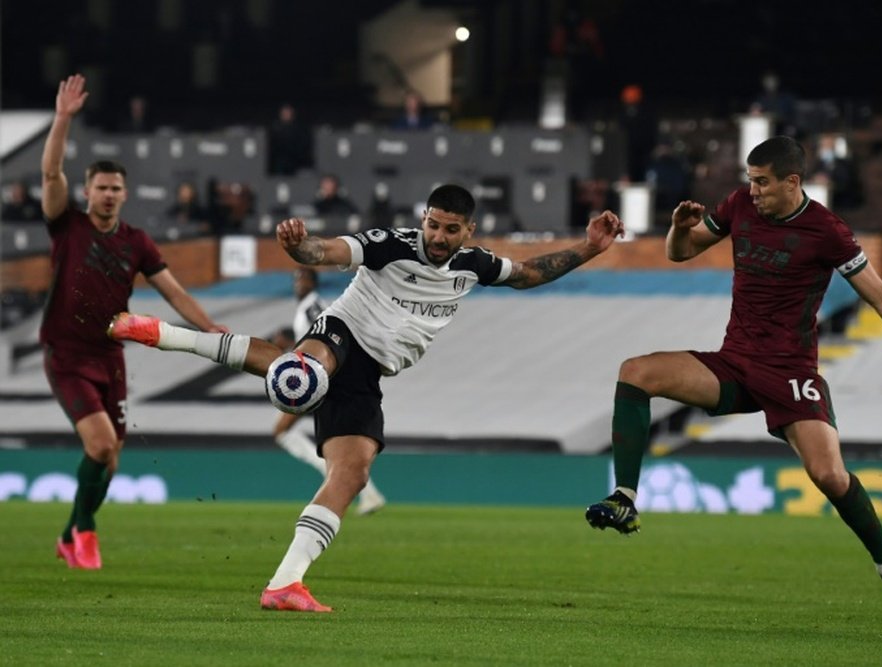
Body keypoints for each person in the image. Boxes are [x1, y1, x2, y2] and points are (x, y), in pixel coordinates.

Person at [108, 184, 624, 611]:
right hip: (341, 334)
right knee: (302, 373)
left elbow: (531, 274)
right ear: (422, 219)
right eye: (432, 224)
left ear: (467, 230)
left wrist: (589, 248)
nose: (438, 236)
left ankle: (284, 584)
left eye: (450, 228)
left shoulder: (476, 264)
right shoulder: (389, 244)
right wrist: (300, 248)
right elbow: (329, 251)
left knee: (352, 475)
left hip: (369, 373)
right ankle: (164, 335)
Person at [584, 136, 882, 625]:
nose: (753, 192)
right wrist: (675, 230)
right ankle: (625, 498)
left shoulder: (827, 231)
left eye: (762, 183)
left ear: (792, 182)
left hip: (791, 372)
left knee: (829, 476)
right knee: (636, 372)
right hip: (734, 363)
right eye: (750, 182)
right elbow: (681, 254)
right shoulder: (738, 206)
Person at [41, 74, 227, 570]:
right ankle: (85, 530)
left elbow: (174, 291)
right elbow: (49, 175)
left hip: (109, 355)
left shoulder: (137, 242)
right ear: (86, 192)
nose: (107, 194)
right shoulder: (68, 225)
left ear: (125, 194)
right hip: (66, 355)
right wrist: (62, 119)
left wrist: (209, 329)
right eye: (100, 187)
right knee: (100, 446)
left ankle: (67, 533)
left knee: (111, 459)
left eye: (115, 188)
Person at [272, 267, 386, 515]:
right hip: (318, 378)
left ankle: (348, 486)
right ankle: (367, 494)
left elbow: (326, 339)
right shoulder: (306, 309)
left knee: (282, 431)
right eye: (295, 279)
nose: (297, 284)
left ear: (313, 282)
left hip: (321, 380)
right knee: (298, 436)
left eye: (302, 279)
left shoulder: (313, 308)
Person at [268, 103, 313, 175]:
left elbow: (303, 144)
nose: (286, 115)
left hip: (296, 159)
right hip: (279, 159)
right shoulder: (275, 128)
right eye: (284, 113)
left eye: (288, 113)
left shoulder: (299, 128)